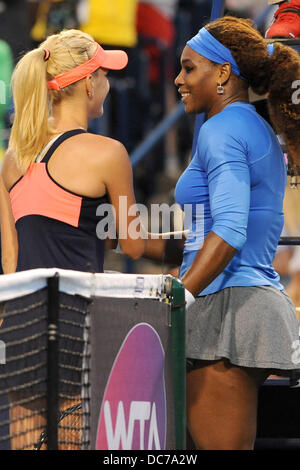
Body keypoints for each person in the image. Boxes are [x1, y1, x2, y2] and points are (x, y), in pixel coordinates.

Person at [0, 28, 145, 449]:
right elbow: (133, 244)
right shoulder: (108, 153)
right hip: (75, 326)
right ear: (87, 83)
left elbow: (10, 255)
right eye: (104, 74)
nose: (108, 84)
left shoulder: (14, 157)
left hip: (20, 324)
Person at [172, 16, 300, 450]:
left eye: (189, 68)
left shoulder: (221, 129)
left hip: (226, 312)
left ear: (223, 73)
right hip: (242, 303)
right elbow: (215, 226)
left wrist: (173, 298)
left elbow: (229, 230)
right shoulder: (250, 124)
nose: (178, 79)